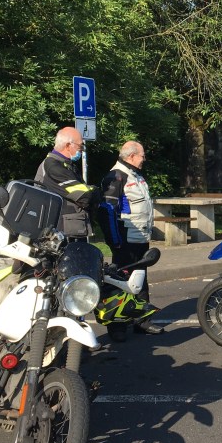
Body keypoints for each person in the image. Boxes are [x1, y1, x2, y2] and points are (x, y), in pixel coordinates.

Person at [95, 140, 162, 342]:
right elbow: (106, 211)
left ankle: (142, 321)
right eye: (142, 155)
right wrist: (115, 241)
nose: (144, 159)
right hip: (124, 240)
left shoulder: (136, 175)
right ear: (131, 156)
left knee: (140, 280)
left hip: (140, 238)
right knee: (119, 282)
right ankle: (117, 327)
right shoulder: (116, 176)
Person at [35, 126, 99, 239]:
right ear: (68, 146)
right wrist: (94, 191)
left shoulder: (67, 165)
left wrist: (91, 191)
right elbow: (84, 196)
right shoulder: (53, 166)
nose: (82, 149)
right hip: (63, 232)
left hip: (70, 229)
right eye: (80, 146)